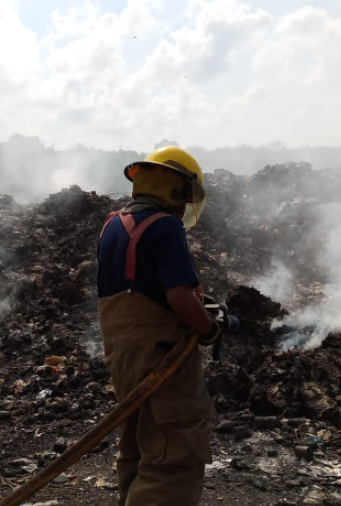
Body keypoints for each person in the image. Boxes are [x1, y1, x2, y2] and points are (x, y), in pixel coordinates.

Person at [96, 146, 221, 506]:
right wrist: (210, 330)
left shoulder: (112, 226)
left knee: (136, 446)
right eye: (185, 195)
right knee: (173, 455)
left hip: (123, 357)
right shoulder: (165, 227)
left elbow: (138, 290)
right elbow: (181, 300)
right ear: (173, 187)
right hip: (160, 358)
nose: (184, 205)